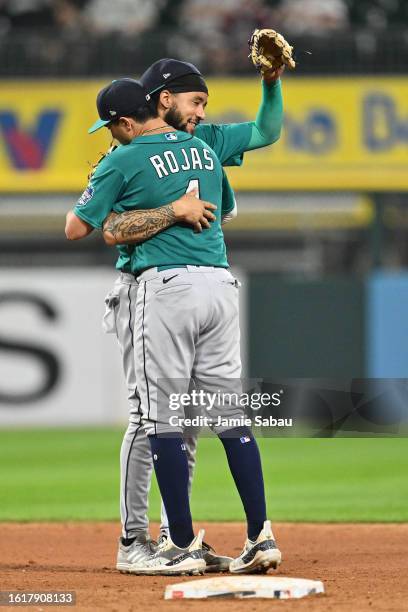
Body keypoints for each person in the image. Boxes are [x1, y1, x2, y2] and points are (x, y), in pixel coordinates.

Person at [76, 77, 282, 575]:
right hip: (219, 284)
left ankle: (175, 542)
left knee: (160, 419)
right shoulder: (204, 147)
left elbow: (89, 228)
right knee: (222, 415)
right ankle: (258, 536)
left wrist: (148, 203)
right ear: (160, 103)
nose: (200, 112)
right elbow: (227, 205)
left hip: (163, 288)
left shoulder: (127, 157)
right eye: (197, 102)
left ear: (126, 120)